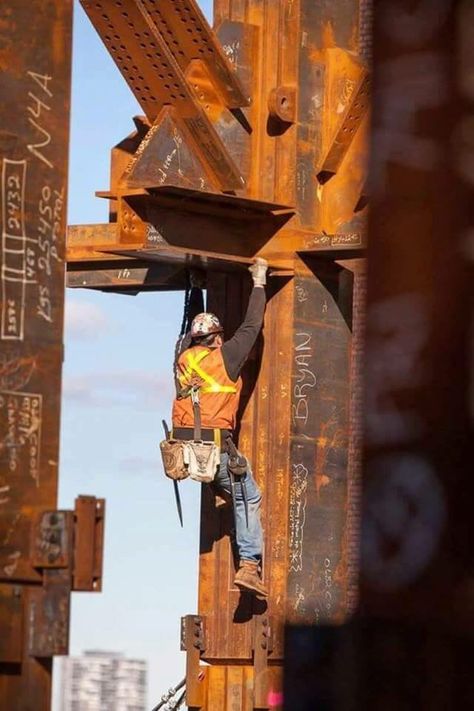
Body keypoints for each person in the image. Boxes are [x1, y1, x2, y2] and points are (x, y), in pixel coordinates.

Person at [172, 258, 268, 598]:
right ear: (218, 338)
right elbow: (252, 327)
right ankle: (249, 566)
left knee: (228, 486)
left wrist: (195, 288)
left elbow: (188, 328)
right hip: (216, 449)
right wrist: (259, 282)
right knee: (248, 495)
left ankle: (223, 496)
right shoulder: (224, 358)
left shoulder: (183, 358)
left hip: (184, 453)